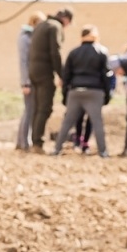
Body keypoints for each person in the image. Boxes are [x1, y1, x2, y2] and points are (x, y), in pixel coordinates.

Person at [52, 26, 111, 157]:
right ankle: (103, 152)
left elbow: (66, 75)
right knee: (97, 122)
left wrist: (65, 95)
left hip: (75, 91)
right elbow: (106, 75)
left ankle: (56, 149)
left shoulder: (74, 52)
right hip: (95, 91)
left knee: (67, 122)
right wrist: (107, 95)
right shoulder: (102, 52)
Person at [27, 8, 73, 149]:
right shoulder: (55, 26)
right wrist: (62, 74)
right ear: (65, 19)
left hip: (33, 70)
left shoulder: (41, 25)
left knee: (37, 108)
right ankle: (38, 142)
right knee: (44, 108)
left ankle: (35, 140)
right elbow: (55, 52)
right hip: (45, 72)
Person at [15, 11, 44, 150]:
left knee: (30, 110)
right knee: (29, 111)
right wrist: (25, 82)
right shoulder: (25, 38)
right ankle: (24, 142)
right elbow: (23, 61)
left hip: (33, 79)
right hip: (28, 81)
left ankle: (21, 141)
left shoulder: (32, 37)